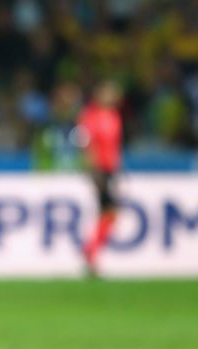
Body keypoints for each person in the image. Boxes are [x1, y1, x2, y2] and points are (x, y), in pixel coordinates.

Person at [77, 80, 123, 274]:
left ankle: (91, 250)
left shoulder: (114, 116)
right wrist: (93, 169)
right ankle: (90, 250)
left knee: (109, 213)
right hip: (99, 169)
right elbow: (87, 144)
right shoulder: (90, 116)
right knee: (109, 211)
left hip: (111, 169)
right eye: (108, 91)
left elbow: (115, 145)